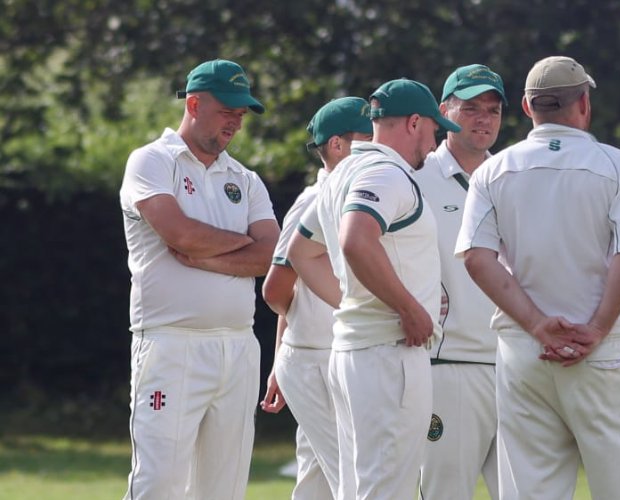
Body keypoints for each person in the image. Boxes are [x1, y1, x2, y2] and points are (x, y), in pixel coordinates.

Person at [457, 56, 620, 500]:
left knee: (531, 490)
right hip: (601, 353)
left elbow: (476, 258)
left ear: (528, 108)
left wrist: (537, 325)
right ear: (583, 103)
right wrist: (598, 329)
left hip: (526, 353)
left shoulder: (493, 170)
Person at [289, 78, 455, 499]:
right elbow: (355, 238)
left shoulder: (341, 172)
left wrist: (352, 302)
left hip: (356, 351)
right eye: (435, 129)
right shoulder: (387, 172)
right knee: (386, 491)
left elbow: (302, 252)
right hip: (388, 354)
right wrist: (408, 308)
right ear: (415, 122)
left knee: (358, 489)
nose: (435, 143)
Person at [119, 58, 277, 500]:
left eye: (240, 114)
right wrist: (233, 243)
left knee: (223, 488)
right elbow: (179, 233)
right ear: (193, 103)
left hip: (238, 347)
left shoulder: (244, 179)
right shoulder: (152, 160)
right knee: (160, 482)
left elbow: (272, 255)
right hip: (172, 343)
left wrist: (205, 257)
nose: (235, 122)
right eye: (227, 111)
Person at [261, 96, 373, 500]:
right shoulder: (314, 201)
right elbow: (275, 289)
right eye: (367, 138)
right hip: (316, 363)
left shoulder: (357, 196)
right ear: (338, 146)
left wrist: (280, 360)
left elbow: (291, 294)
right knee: (356, 479)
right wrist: (291, 359)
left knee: (316, 486)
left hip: (318, 357)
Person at [414, 63, 508, 500]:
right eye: (471, 108)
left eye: (492, 109)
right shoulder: (416, 179)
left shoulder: (513, 176)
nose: (484, 118)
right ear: (443, 111)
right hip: (445, 367)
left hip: (516, 365)